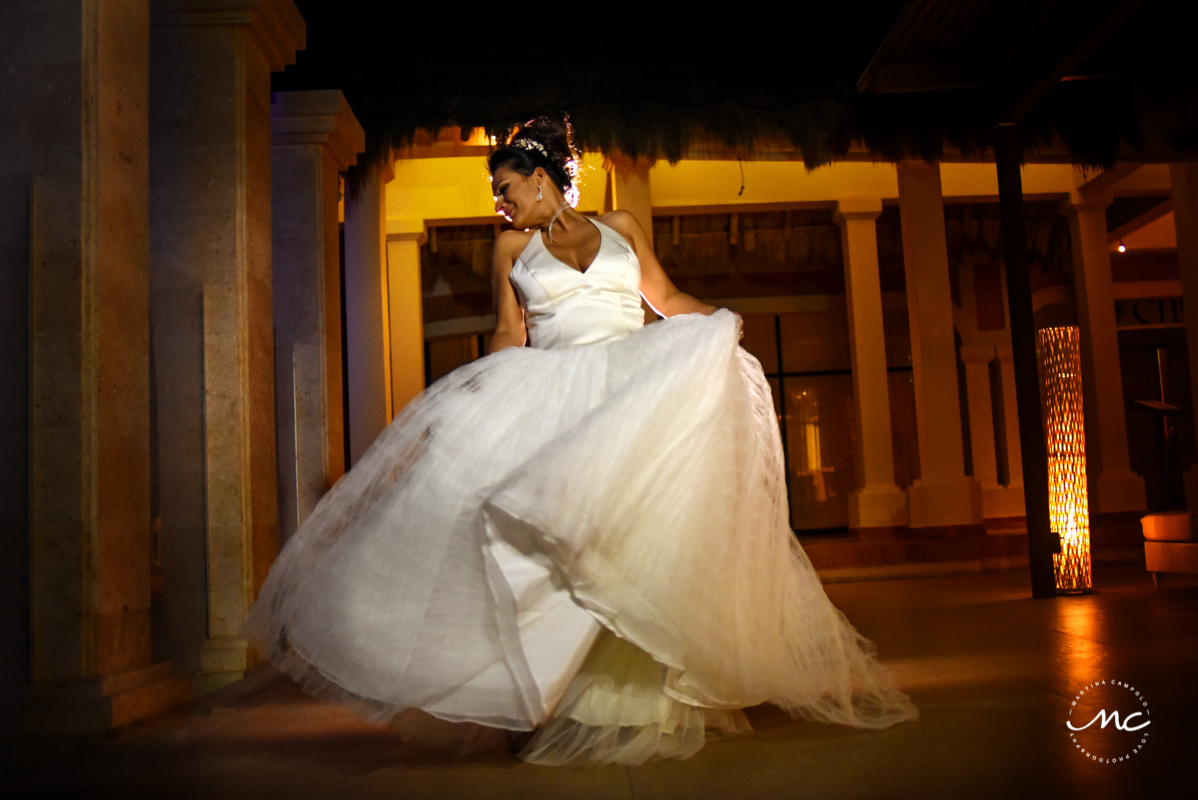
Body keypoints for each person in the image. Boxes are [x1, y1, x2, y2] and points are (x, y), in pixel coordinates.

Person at [245, 116, 917, 767]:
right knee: (551, 536)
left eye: (505, 189)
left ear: (540, 178)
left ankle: (638, 697)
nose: (501, 205)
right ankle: (541, 697)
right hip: (555, 397)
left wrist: (719, 322)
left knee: (631, 540)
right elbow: (511, 337)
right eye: (496, 197)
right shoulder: (509, 250)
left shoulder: (621, 227)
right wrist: (467, 403)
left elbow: (664, 294)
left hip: (630, 394)